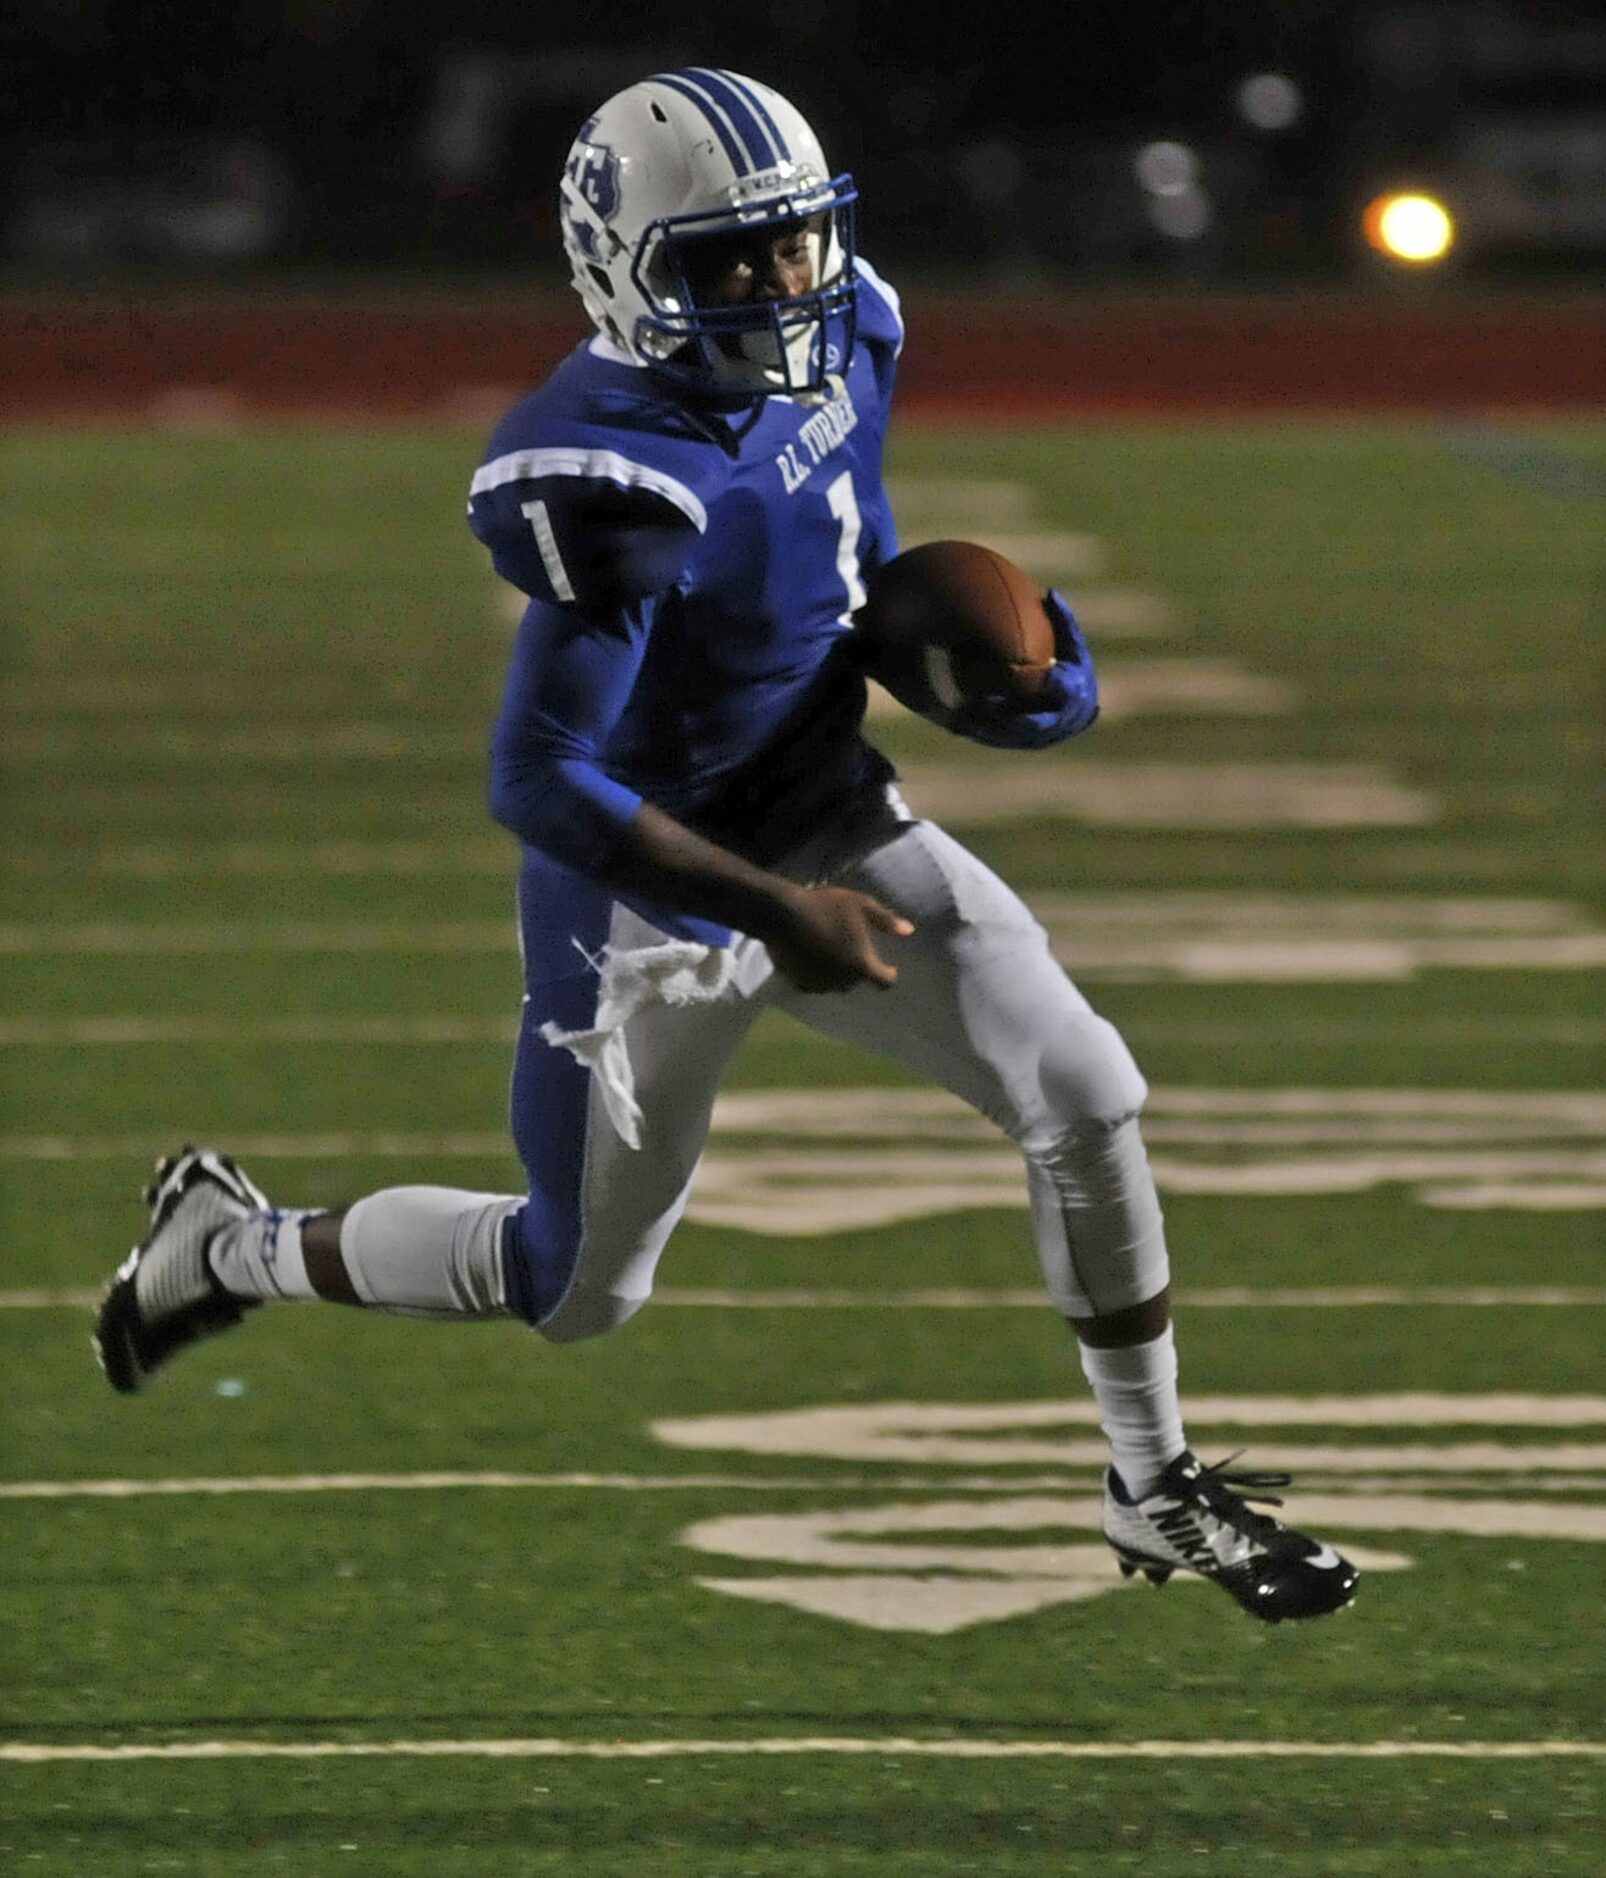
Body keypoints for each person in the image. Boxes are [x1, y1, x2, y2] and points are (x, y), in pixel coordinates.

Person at [95, 67, 1357, 1624]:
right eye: (730, 260)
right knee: (573, 1288)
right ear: (624, 269)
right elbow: (540, 777)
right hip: (649, 886)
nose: (778, 286)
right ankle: (234, 1245)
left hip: (820, 805)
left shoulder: (852, 332)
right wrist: (773, 915)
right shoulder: (608, 467)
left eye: (792, 245)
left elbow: (850, 556)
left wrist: (981, 672)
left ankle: (1150, 1482)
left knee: (1085, 1088)